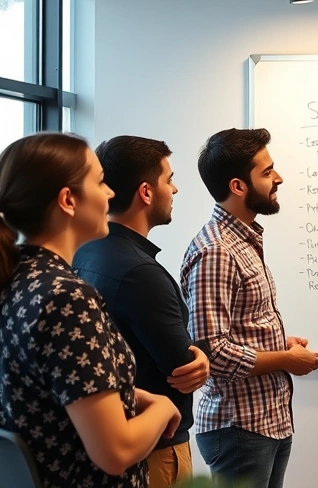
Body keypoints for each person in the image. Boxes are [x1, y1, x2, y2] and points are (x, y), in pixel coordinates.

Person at [0, 133, 180, 488]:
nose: (111, 193)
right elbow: (115, 451)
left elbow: (42, 389)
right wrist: (163, 407)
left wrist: (126, 393)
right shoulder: (68, 297)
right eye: (100, 183)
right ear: (68, 200)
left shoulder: (18, 279)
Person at [181, 128, 318, 488]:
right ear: (238, 186)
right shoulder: (216, 251)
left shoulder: (243, 239)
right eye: (267, 172)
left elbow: (239, 328)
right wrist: (285, 359)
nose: (279, 178)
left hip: (266, 421)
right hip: (238, 427)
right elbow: (211, 351)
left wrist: (281, 342)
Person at [74, 136, 210, 488]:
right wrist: (203, 355)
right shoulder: (141, 273)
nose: (175, 189)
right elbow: (183, 365)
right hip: (153, 450)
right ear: (146, 192)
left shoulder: (85, 253)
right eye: (169, 179)